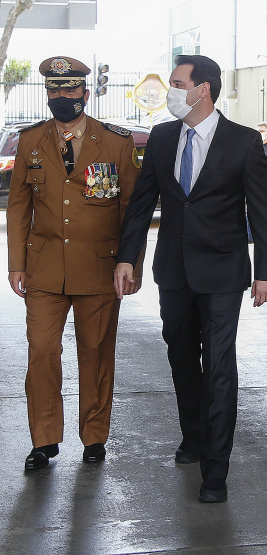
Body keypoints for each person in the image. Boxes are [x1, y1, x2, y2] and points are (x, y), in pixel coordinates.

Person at [114, 54, 267, 503]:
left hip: (224, 273)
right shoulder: (164, 138)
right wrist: (127, 258)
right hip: (173, 272)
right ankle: (193, 435)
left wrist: (266, 271)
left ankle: (215, 470)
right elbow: (142, 203)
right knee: (182, 357)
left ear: (202, 89)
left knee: (220, 365)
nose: (171, 91)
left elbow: (263, 212)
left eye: (177, 82)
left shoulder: (243, 142)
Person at [5, 56, 142, 470]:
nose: (61, 97)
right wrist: (16, 263)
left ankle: (94, 436)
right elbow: (17, 207)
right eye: (53, 90)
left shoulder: (115, 142)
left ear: (85, 91)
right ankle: (44, 440)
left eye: (68, 90)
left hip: (99, 269)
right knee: (42, 351)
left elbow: (131, 210)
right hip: (43, 269)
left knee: (96, 352)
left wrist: (129, 262)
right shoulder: (31, 140)